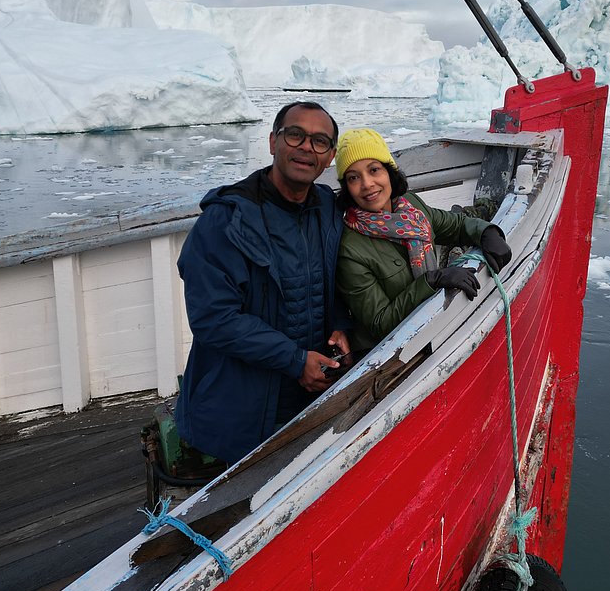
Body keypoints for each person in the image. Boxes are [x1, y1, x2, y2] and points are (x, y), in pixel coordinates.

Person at [174, 101, 351, 477]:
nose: (306, 147)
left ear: (330, 157)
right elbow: (213, 318)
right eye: (295, 135)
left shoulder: (326, 208)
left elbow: (333, 281)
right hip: (244, 412)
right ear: (273, 142)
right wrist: (294, 359)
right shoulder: (226, 221)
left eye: (320, 141)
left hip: (311, 400)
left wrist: (339, 325)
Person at [334, 128, 512, 354]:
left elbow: (454, 225)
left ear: (389, 171)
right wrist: (433, 280)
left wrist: (487, 233)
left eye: (374, 170)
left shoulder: (410, 207)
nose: (367, 183)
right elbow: (381, 322)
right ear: (347, 188)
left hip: (433, 331)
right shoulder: (350, 249)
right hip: (392, 356)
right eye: (353, 177)